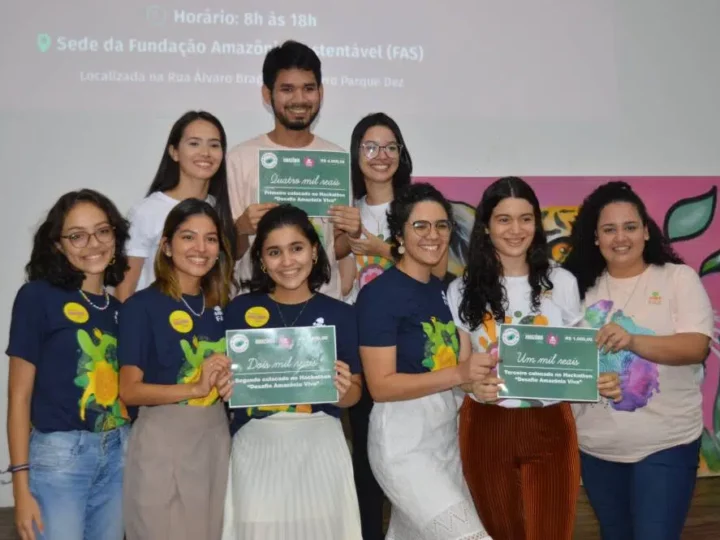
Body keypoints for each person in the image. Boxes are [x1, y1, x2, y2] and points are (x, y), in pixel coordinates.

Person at [446, 176, 621, 540]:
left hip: (550, 423)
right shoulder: (461, 289)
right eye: (504, 219)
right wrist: (472, 385)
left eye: (525, 219)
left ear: (536, 224)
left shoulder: (561, 282)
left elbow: (575, 358)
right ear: (486, 226)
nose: (516, 230)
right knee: (501, 533)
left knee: (552, 531)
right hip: (486, 425)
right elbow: (461, 369)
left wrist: (598, 379)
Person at [562, 181, 714, 540]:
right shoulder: (575, 289)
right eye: (609, 229)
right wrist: (587, 379)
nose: (620, 238)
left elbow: (696, 346)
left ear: (646, 231)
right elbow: (564, 361)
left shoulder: (677, 278)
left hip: (666, 444)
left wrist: (632, 341)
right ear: (595, 237)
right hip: (597, 448)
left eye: (630, 227)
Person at [356, 182, 492, 540]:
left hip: (446, 438)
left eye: (441, 225)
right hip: (402, 443)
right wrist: (460, 373)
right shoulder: (378, 295)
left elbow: (459, 371)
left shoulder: (447, 291)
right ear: (399, 235)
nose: (433, 235)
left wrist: (475, 381)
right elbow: (381, 386)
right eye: (420, 225)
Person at [221, 204, 363, 540]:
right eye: (274, 252)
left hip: (320, 446)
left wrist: (344, 390)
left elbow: (355, 393)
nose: (287, 261)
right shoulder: (239, 310)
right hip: (256, 446)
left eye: (296, 248)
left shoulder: (341, 315)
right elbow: (226, 385)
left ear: (314, 251)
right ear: (261, 259)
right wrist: (223, 385)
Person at [6, 189, 131, 540]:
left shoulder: (121, 311)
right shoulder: (37, 297)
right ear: (58, 246)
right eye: (77, 235)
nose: (93, 243)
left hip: (119, 454)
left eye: (102, 231)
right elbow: (18, 396)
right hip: (60, 458)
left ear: (115, 236)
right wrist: (20, 486)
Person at [118, 199, 235, 540]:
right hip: (162, 439)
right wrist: (194, 388)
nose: (201, 248)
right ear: (167, 246)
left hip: (216, 437)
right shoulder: (141, 307)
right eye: (188, 237)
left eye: (210, 239)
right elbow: (129, 390)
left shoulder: (223, 307)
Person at [227, 40, 360, 301]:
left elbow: (333, 248)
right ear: (267, 94)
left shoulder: (335, 159)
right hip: (257, 304)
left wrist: (353, 233)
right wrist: (240, 228)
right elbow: (230, 252)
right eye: (287, 89)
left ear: (320, 92)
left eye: (308, 88)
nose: (299, 99)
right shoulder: (240, 158)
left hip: (322, 302)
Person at [115, 110, 235, 301]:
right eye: (194, 143)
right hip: (156, 316)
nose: (205, 153)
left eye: (214, 145)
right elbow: (125, 286)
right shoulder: (146, 211)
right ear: (174, 152)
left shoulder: (220, 208)